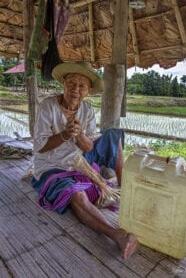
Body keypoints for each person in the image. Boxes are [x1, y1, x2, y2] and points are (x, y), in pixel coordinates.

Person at [31, 61, 139, 260]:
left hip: (77, 159)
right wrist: (64, 135)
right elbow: (39, 146)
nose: (76, 89)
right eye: (71, 83)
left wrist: (79, 135)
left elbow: (88, 147)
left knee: (114, 134)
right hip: (52, 165)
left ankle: (123, 189)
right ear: (63, 83)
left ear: (88, 91)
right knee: (77, 195)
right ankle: (117, 235)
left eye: (82, 86)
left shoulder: (87, 109)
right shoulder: (48, 107)